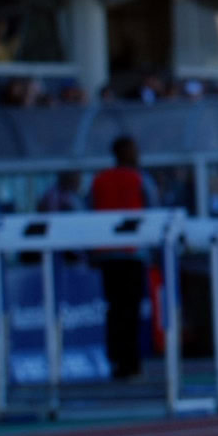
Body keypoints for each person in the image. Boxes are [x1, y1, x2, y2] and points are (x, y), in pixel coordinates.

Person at [88, 135, 158, 380]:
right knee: (129, 309)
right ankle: (130, 362)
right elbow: (153, 212)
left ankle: (118, 360)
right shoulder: (140, 179)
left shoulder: (99, 180)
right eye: (134, 150)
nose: (137, 154)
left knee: (115, 309)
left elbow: (89, 211)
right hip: (131, 254)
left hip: (108, 255)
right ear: (125, 153)